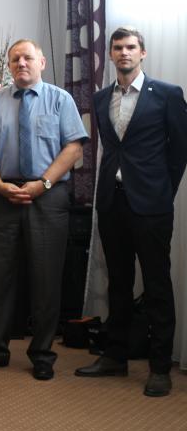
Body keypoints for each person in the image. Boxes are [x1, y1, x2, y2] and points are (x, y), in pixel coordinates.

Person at [75, 27, 187, 397]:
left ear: (143, 53)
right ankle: (115, 357)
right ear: (110, 54)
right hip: (112, 201)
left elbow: (179, 151)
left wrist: (162, 191)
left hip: (152, 205)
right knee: (118, 282)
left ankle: (160, 367)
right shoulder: (101, 97)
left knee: (156, 284)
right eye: (118, 48)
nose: (124, 53)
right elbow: (111, 148)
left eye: (131, 47)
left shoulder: (167, 94)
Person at [0, 39, 87, 381]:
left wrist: (43, 184)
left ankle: (43, 354)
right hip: (2, 195)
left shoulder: (60, 99)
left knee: (46, 277)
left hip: (47, 197)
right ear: (8, 66)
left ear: (41, 62)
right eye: (15, 59)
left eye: (28, 58)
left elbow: (74, 148)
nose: (21, 63)